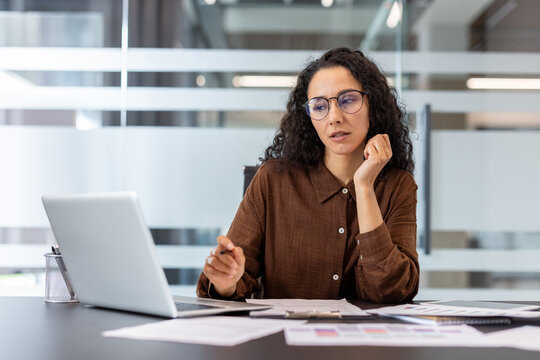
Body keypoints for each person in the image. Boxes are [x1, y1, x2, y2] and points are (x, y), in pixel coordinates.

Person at [197, 47, 419, 303]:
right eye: (319, 106)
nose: (334, 118)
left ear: (373, 103)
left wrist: (365, 186)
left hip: (363, 341)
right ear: (309, 117)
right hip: (282, 340)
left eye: (348, 100)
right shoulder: (273, 180)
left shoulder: (397, 185)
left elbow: (393, 290)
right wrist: (226, 283)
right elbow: (233, 276)